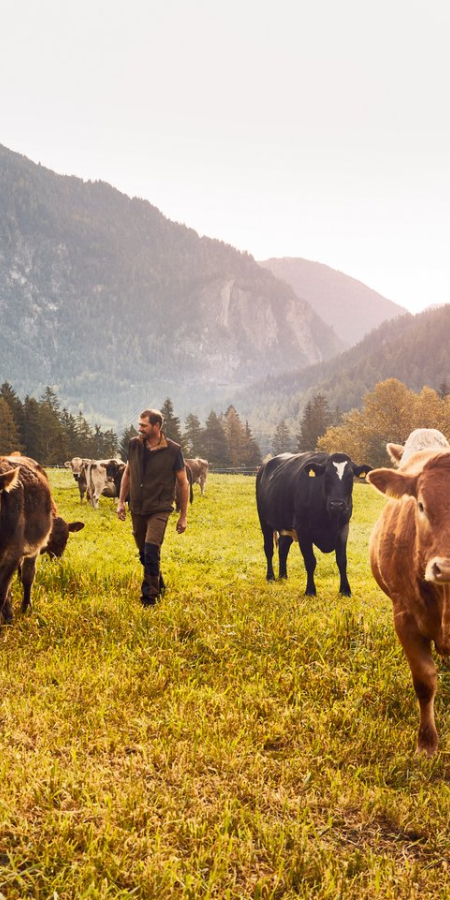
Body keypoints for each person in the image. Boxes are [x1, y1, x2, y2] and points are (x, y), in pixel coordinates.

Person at [117, 408, 189, 606]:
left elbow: (183, 483)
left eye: (144, 425)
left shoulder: (173, 450)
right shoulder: (134, 445)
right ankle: (159, 584)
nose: (139, 428)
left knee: (151, 548)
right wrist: (121, 501)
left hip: (160, 507)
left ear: (156, 426)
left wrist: (183, 516)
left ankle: (149, 598)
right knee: (144, 553)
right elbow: (128, 473)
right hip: (137, 507)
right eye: (139, 425)